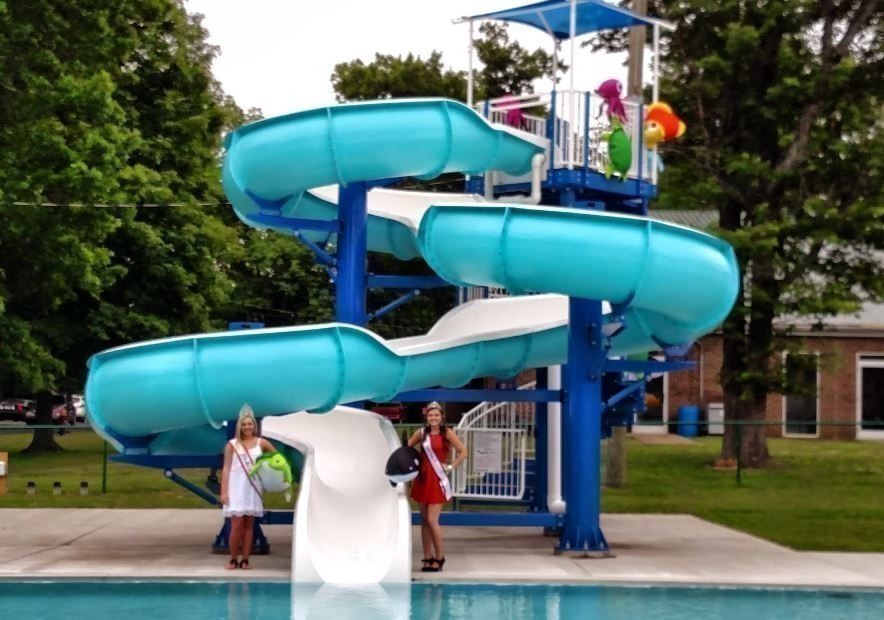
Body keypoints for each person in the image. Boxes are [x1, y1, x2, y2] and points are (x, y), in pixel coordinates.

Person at [407, 402, 467, 573]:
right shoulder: (421, 433)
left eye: (436, 415)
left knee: (432, 520)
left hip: (437, 479)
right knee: (424, 521)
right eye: (430, 415)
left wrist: (451, 466)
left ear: (442, 417)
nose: (433, 418)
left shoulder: (447, 433)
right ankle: (428, 557)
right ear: (426, 417)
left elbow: (463, 452)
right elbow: (406, 449)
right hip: (422, 479)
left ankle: (440, 557)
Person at [221, 404, 275, 570]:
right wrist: (224, 492)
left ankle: (245, 559)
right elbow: (226, 468)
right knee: (236, 525)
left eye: (249, 424)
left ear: (254, 425)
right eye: (244, 424)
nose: (247, 427)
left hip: (252, 488)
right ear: (240, 426)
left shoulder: (262, 443)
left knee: (249, 526)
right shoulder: (232, 445)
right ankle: (233, 558)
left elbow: (276, 458)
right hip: (236, 488)